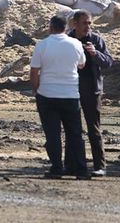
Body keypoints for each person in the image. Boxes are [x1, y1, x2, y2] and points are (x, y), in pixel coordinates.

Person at [30, 16, 89, 180]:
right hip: (70, 94)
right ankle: (81, 169)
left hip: (47, 94)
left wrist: (36, 90)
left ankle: (57, 167)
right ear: (65, 27)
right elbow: (82, 64)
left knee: (53, 134)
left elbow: (34, 71)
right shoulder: (75, 44)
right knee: (75, 134)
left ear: (50, 27)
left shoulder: (42, 45)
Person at [66, 10, 113, 177]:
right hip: (70, 90)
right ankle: (72, 165)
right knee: (72, 129)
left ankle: (99, 166)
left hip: (92, 90)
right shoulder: (68, 40)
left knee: (94, 129)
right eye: (84, 23)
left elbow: (108, 62)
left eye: (90, 23)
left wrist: (95, 53)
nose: (88, 26)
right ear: (75, 23)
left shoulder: (96, 39)